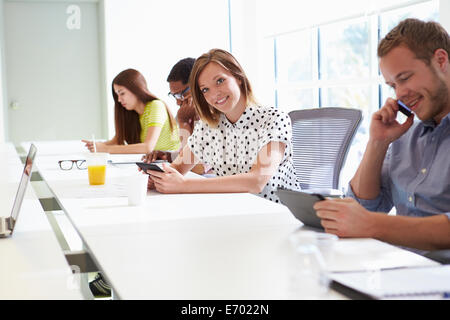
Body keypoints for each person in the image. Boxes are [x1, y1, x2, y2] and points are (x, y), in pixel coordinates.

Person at [313, 18, 450, 252]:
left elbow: (368, 220)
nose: (400, 94)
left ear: (440, 60)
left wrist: (372, 225)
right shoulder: (405, 134)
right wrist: (377, 143)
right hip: (398, 266)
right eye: (392, 85)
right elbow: (364, 209)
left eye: (405, 78)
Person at [144, 48, 300, 203]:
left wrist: (184, 185)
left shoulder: (274, 119)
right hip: (232, 211)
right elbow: (178, 169)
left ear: (238, 76)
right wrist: (158, 178)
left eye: (220, 81)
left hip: (278, 214)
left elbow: (257, 181)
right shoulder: (209, 125)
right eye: (205, 89)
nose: (214, 95)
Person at [82, 68, 180, 154]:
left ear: (136, 90)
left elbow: (147, 147)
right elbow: (117, 140)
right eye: (117, 95)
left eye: (122, 93)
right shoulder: (133, 113)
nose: (119, 100)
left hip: (169, 164)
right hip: (153, 163)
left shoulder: (156, 106)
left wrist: (105, 148)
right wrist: (97, 145)